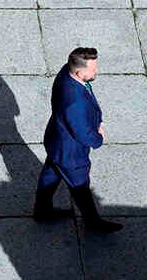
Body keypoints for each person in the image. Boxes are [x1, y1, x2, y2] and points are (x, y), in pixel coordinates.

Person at [33, 46, 122, 234]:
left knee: (52, 172)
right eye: (93, 69)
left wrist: (98, 118)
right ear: (80, 72)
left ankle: (42, 211)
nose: (96, 71)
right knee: (80, 187)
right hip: (70, 152)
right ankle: (93, 223)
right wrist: (98, 137)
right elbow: (84, 134)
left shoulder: (67, 72)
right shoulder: (74, 102)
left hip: (57, 141)